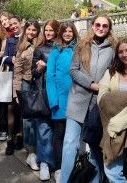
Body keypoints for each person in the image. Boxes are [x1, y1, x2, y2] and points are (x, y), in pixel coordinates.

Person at [60, 14, 117, 183]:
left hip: (98, 104)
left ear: (109, 28)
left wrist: (105, 87)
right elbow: (73, 70)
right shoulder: (81, 45)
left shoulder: (114, 48)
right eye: (98, 25)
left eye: (104, 26)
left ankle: (94, 180)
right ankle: (64, 180)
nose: (100, 28)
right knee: (70, 144)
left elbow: (115, 73)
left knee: (94, 146)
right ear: (92, 26)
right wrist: (91, 84)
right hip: (77, 100)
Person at [98, 38, 127, 183]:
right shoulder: (111, 73)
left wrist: (117, 99)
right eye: (120, 52)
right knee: (112, 169)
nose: (124, 54)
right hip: (113, 127)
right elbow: (102, 98)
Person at [46, 21, 79, 183]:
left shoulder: (79, 48)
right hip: (59, 99)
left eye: (70, 31)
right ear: (61, 34)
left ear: (74, 33)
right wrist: (53, 100)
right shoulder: (55, 51)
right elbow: (49, 77)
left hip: (77, 98)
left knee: (74, 137)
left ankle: (73, 167)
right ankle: (59, 168)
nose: (67, 34)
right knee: (59, 134)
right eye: (65, 32)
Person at [31, 19, 61, 181]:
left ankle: (57, 165)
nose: (48, 33)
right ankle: (44, 163)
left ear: (57, 31)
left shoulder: (62, 49)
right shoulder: (40, 48)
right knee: (43, 130)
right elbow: (32, 74)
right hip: (42, 93)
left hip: (58, 95)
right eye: (46, 30)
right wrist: (39, 68)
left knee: (58, 131)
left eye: (51, 30)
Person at [13, 20, 42, 171]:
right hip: (26, 84)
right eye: (28, 30)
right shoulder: (21, 47)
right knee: (28, 120)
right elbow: (17, 72)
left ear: (38, 31)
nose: (31, 32)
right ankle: (31, 152)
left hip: (40, 85)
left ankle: (40, 150)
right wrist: (16, 93)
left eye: (33, 30)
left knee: (40, 117)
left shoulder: (41, 45)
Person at [4, 16, 23, 154]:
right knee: (10, 108)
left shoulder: (27, 38)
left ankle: (21, 136)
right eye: (11, 24)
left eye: (15, 23)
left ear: (20, 23)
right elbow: (4, 57)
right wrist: (11, 59)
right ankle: (9, 139)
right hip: (11, 76)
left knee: (23, 108)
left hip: (25, 77)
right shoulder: (9, 40)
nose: (13, 26)